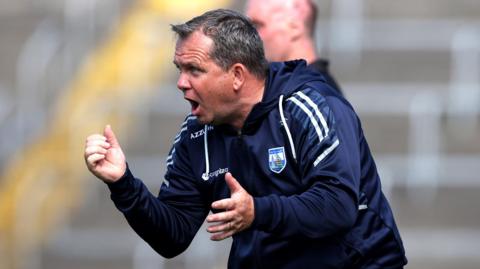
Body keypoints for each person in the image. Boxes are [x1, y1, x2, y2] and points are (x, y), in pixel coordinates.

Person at [84, 9, 407, 269]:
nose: (181, 83)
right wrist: (123, 183)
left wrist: (257, 211)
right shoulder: (198, 134)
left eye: (194, 70)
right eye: (178, 69)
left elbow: (338, 206)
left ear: (237, 75)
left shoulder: (311, 107)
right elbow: (173, 236)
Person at [246, 0, 343, 94]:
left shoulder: (316, 96)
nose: (248, 37)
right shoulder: (289, 90)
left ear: (295, 26)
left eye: (257, 25)